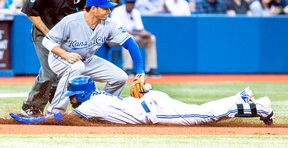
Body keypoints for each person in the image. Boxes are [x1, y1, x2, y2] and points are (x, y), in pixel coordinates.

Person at [10, 76, 275, 126]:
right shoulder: (98, 97)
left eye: (73, 97)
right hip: (150, 101)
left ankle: (259, 105)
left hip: (155, 108)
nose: (73, 102)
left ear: (82, 94)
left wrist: (34, 120)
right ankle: (240, 98)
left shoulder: (89, 106)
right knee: (200, 111)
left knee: (204, 115)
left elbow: (61, 117)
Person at [42, 0, 145, 115]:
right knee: (76, 67)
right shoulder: (71, 21)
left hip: (87, 59)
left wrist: (140, 71)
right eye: (105, 8)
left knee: (120, 77)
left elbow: (130, 43)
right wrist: (65, 55)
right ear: (94, 9)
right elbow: (47, 41)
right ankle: (54, 112)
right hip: (60, 58)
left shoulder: (109, 24)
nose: (109, 11)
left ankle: (101, 109)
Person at [20, 0, 89, 116]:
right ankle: (31, 106)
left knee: (69, 69)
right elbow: (30, 11)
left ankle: (57, 99)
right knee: (50, 71)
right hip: (43, 33)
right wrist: (48, 33)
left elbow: (85, 9)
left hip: (67, 35)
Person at [111, 0, 159, 77]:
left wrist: (145, 33)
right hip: (114, 38)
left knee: (151, 38)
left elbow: (139, 29)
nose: (130, 5)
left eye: (132, 3)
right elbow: (119, 31)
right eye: (129, 3)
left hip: (131, 37)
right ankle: (127, 69)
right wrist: (139, 34)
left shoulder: (135, 12)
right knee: (127, 38)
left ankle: (150, 68)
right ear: (125, 2)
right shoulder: (117, 11)